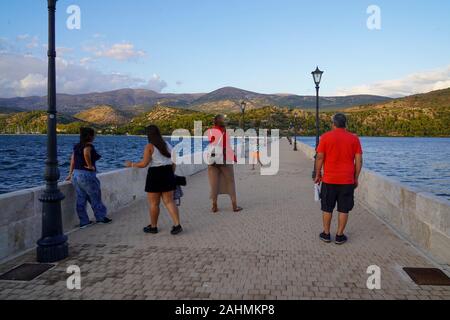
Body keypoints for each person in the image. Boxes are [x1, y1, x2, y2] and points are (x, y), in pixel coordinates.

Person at [313, 113, 363, 245]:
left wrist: (318, 174)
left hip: (329, 180)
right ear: (345, 124)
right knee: (344, 209)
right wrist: (355, 178)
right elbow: (359, 161)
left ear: (333, 124)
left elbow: (319, 157)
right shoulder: (354, 139)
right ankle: (340, 236)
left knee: (327, 208)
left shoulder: (325, 137)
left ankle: (326, 234)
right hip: (347, 181)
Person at [125, 125, 182, 235]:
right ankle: (177, 224)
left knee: (154, 204)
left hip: (155, 175)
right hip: (168, 173)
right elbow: (174, 162)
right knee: (169, 202)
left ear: (149, 135)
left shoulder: (149, 146)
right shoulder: (167, 145)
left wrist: (131, 164)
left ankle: (153, 227)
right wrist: (171, 174)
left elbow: (144, 164)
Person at [66, 127, 112, 229]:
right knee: (95, 196)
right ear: (90, 136)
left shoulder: (77, 146)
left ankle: (84, 222)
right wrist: (90, 165)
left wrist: (70, 174)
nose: (94, 136)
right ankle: (100, 217)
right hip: (86, 174)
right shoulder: (88, 146)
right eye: (94, 135)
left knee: (81, 198)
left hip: (76, 174)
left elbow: (73, 160)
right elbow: (86, 153)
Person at [207, 115, 242, 213]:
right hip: (224, 158)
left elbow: (211, 143)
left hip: (213, 159)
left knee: (214, 183)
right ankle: (234, 205)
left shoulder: (211, 131)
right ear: (221, 122)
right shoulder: (224, 132)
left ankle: (214, 206)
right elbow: (226, 145)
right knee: (230, 181)